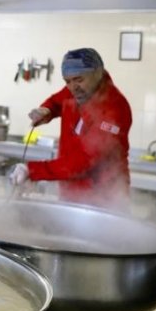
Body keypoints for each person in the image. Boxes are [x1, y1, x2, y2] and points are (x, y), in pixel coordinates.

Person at [10, 48, 132, 208]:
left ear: (98, 73)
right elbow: (56, 101)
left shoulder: (114, 108)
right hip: (72, 194)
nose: (73, 87)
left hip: (103, 200)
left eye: (78, 79)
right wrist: (46, 111)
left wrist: (32, 170)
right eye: (67, 81)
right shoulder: (77, 90)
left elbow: (84, 162)